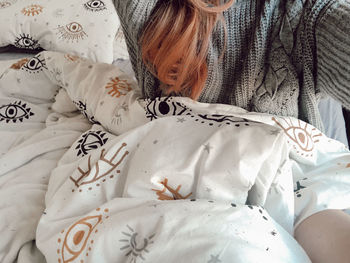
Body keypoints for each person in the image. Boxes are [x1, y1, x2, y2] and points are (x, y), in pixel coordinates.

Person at [113, 0, 350, 261]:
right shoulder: (149, 8)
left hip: (292, 179)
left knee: (319, 216)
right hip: (180, 174)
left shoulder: (305, 13)